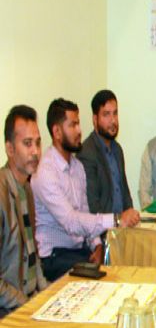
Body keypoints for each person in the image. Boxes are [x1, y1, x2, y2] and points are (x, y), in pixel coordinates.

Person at [32, 99, 140, 281]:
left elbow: (84, 213)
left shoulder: (77, 166)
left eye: (78, 124)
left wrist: (97, 245)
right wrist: (117, 219)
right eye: (72, 125)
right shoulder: (45, 172)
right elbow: (71, 221)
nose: (79, 131)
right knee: (109, 279)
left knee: (122, 269)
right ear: (57, 132)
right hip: (55, 256)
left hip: (80, 250)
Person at [1, 105, 47, 316]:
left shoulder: (27, 189)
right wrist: (26, 304)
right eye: (27, 144)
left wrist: (47, 294)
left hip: (29, 301)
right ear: (10, 149)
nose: (35, 151)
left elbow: (32, 253)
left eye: (38, 143)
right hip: (8, 311)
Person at [77, 89, 134, 215]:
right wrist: (118, 221)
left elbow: (125, 193)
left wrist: (130, 213)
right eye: (106, 114)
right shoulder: (86, 153)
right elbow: (93, 206)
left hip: (122, 224)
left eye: (115, 113)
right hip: (104, 226)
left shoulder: (117, 149)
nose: (113, 120)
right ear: (95, 119)